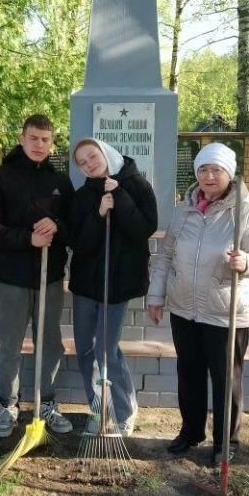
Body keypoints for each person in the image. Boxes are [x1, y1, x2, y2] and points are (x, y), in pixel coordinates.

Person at [146, 142, 249, 465]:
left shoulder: (245, 212)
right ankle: (191, 431)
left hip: (224, 312)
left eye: (216, 170)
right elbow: (165, 256)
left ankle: (226, 442)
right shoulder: (182, 210)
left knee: (225, 378)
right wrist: (157, 296)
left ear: (229, 174)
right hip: (185, 309)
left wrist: (246, 262)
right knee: (188, 372)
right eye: (203, 170)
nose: (209, 176)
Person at [0, 114, 74, 438]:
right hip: (10, 278)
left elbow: (74, 228)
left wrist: (58, 227)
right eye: (34, 138)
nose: (39, 145)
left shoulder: (61, 182)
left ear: (52, 143)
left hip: (49, 279)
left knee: (50, 344)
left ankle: (46, 403)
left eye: (46, 139)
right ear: (22, 139)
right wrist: (27, 239)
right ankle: (8, 405)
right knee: (10, 345)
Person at [69, 138, 157, 437]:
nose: (89, 163)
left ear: (105, 153)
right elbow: (79, 244)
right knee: (84, 347)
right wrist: (100, 213)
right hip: (86, 284)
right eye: (82, 162)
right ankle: (98, 410)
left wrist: (118, 197)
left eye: (92, 156)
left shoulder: (138, 186)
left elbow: (142, 229)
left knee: (106, 349)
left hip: (119, 283)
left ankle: (123, 411)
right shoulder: (82, 197)